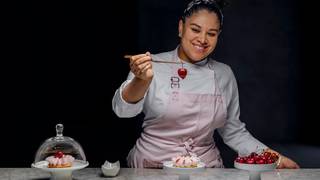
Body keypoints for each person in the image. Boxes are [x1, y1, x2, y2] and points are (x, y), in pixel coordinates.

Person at [112, 0, 299, 169]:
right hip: (151, 167)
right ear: (180, 27)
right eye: (195, 29)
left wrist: (274, 158)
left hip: (205, 169)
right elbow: (123, 111)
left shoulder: (224, 74)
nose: (202, 39)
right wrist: (141, 80)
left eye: (211, 33)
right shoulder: (150, 65)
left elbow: (233, 132)